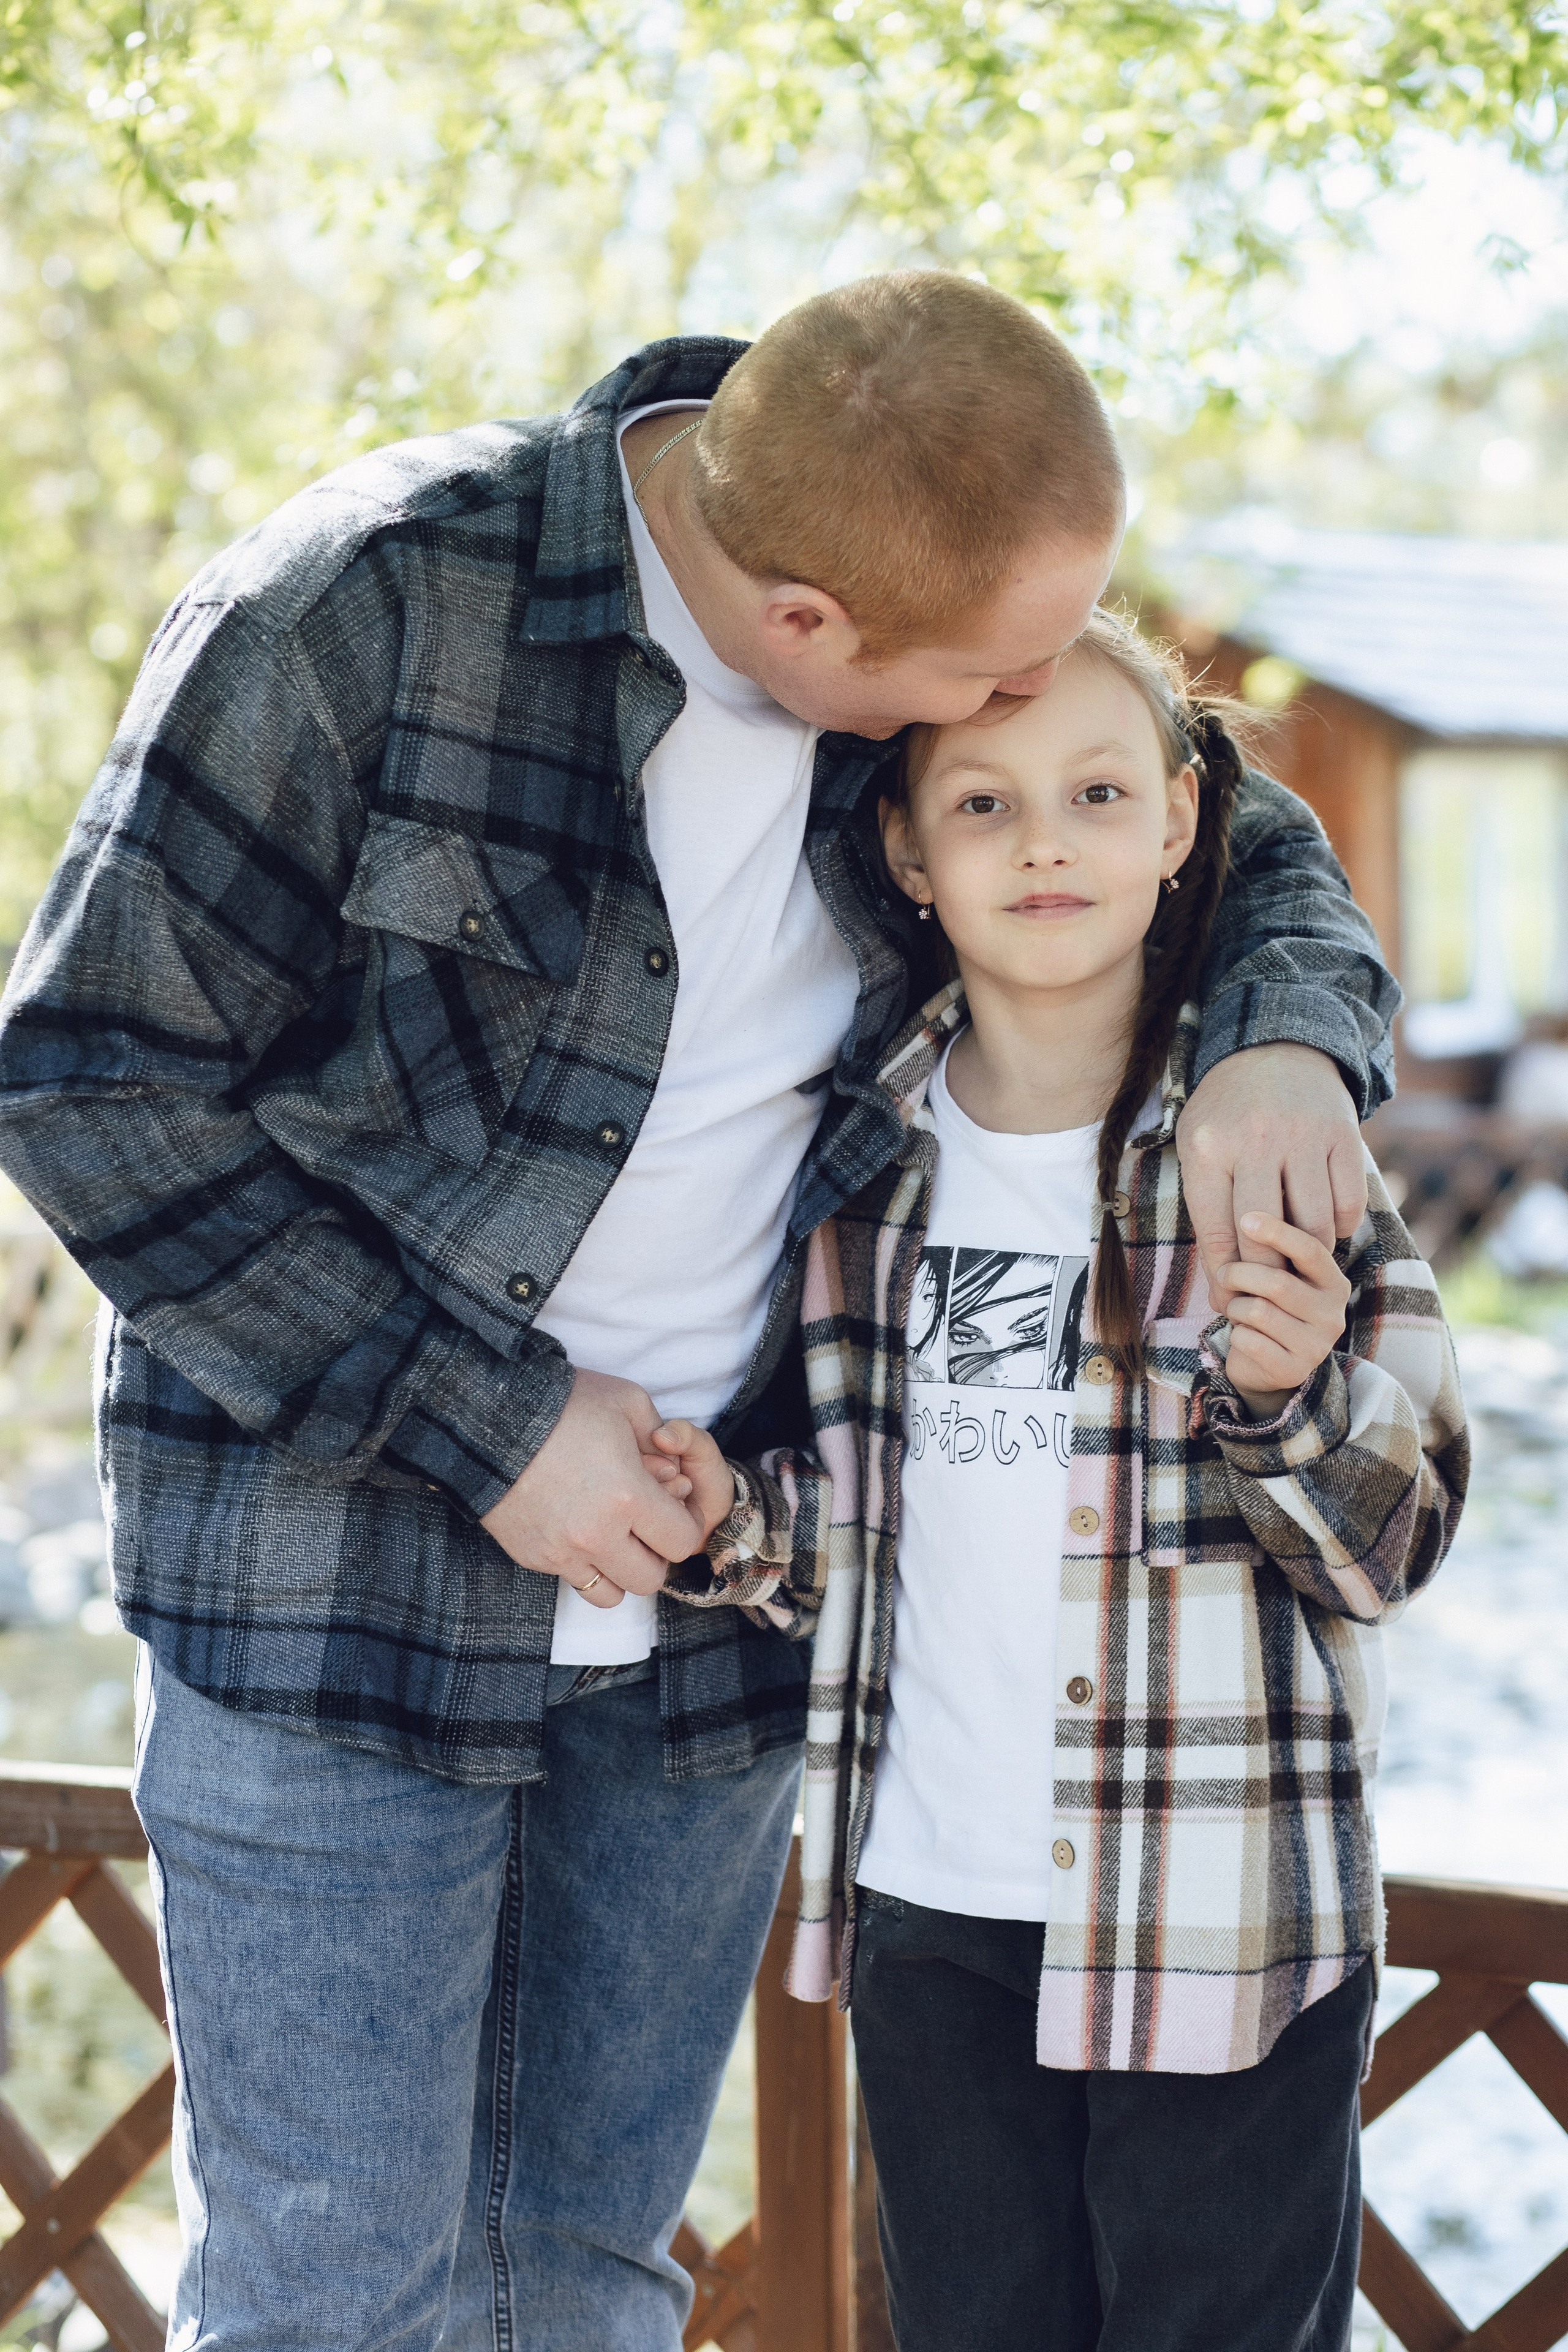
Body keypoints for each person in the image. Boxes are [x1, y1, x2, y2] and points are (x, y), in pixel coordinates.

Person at [0, 274, 1399, 2350]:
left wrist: (1291, 1032)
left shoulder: (905, 580)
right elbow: (82, 1079)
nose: (1023, 706)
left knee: (591, 2274)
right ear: (812, 635)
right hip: (336, 1595)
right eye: (989, 678)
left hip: (716, 1623)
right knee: (332, 2302)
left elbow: (1205, 812)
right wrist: (492, 1424)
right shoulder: (355, 613)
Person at [655, 611, 1468, 2352]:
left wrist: (1279, 1396)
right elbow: (855, 1541)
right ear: (907, 850)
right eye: (984, 805)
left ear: (1181, 830)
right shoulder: (859, 1159)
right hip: (934, 1917)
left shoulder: (1274, 1148)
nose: (1044, 841)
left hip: (1225, 1922)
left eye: (1098, 794)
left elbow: (1397, 1545)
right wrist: (724, 1518)